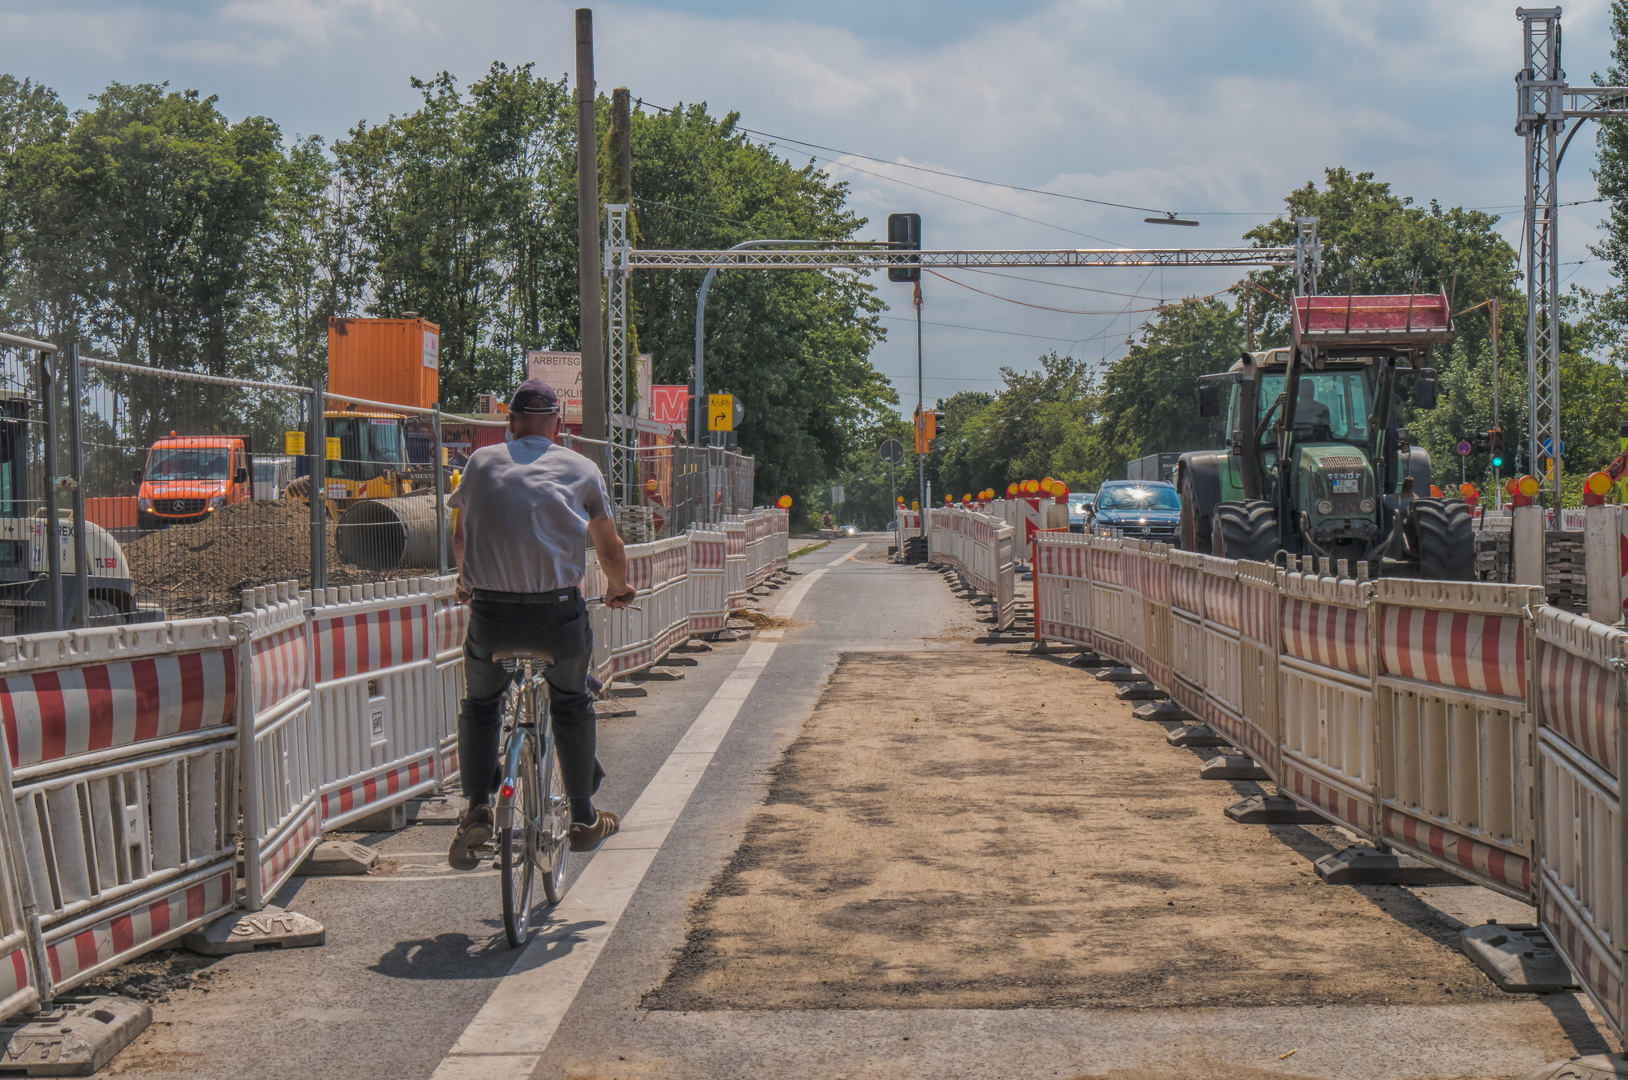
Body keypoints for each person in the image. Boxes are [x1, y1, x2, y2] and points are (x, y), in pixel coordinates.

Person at [445, 378, 636, 870]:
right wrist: (617, 587)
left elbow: (461, 534)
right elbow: (609, 547)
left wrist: (466, 582)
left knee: (481, 704)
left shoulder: (481, 463)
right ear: (558, 423)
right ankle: (582, 817)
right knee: (571, 703)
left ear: (509, 422)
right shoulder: (581, 468)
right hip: (557, 617)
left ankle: (477, 810)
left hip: (492, 615)